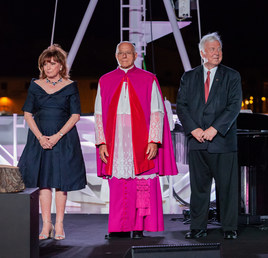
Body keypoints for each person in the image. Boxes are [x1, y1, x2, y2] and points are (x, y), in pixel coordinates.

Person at [95, 42, 178, 239]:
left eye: (128, 53)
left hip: (141, 139)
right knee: (118, 184)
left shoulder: (148, 78)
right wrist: (102, 142)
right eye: (121, 53)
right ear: (116, 56)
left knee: (142, 185)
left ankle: (138, 227)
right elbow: (99, 113)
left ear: (135, 56)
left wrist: (153, 141)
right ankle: (119, 227)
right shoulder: (105, 80)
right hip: (115, 139)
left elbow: (157, 112)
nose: (124, 56)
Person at [176, 32, 242, 240]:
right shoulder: (189, 76)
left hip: (222, 141)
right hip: (197, 142)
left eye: (219, 49)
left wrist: (215, 129)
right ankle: (197, 227)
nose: (217, 53)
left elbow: (233, 107)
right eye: (212, 49)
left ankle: (230, 227)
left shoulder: (232, 76)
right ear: (203, 52)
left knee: (228, 188)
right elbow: (182, 106)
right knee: (199, 188)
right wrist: (194, 129)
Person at [18, 44, 87, 240]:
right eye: (45, 64)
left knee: (61, 182)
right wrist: (40, 137)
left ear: (61, 66)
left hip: (63, 138)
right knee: (44, 183)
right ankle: (46, 224)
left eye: (52, 63)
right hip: (39, 138)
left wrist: (57, 136)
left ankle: (59, 225)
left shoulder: (71, 86)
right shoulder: (35, 85)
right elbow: (27, 113)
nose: (48, 67)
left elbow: (75, 115)